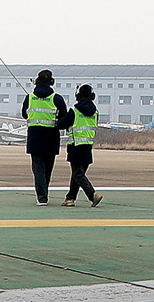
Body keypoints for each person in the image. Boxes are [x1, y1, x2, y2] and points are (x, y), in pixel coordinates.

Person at [22, 70, 70, 205]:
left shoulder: (29, 97)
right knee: (48, 169)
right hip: (51, 137)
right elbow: (64, 117)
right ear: (52, 82)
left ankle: (42, 197)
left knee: (38, 169)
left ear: (36, 81)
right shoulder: (57, 98)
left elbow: (24, 115)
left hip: (35, 137)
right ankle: (44, 192)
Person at [62, 85, 102, 206]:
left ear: (78, 96)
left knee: (77, 174)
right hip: (88, 146)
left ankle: (92, 195)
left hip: (75, 145)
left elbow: (62, 124)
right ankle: (70, 198)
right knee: (78, 173)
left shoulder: (74, 111)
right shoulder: (95, 112)